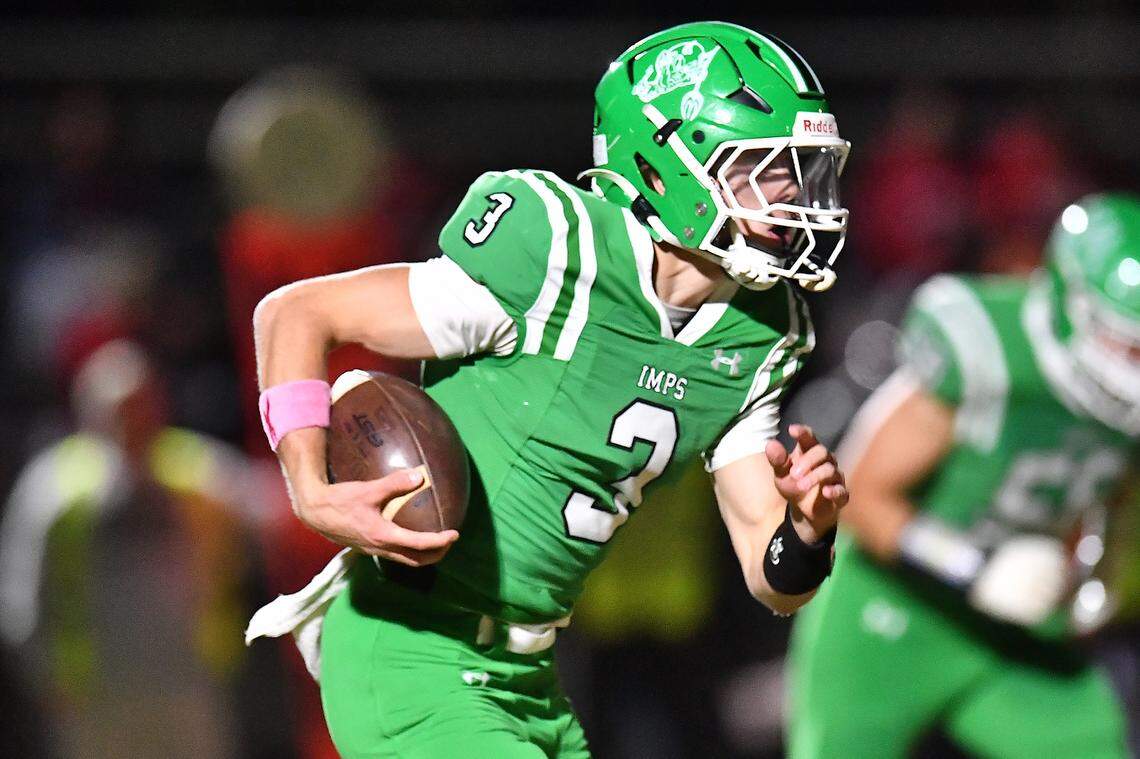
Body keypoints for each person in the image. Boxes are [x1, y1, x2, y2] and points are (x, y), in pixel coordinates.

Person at [247, 22, 851, 758]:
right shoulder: (557, 250)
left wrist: (810, 531)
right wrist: (309, 487)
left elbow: (774, 576)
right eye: (764, 167)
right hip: (413, 651)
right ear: (665, 170)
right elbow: (296, 312)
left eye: (801, 169)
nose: (794, 196)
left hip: (527, 678)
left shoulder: (759, 331)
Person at [787, 194, 1140, 759]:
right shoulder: (992, 350)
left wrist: (1093, 570)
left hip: (1009, 631)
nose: (1134, 368)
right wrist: (973, 569)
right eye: (1127, 344)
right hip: (893, 608)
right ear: (1071, 308)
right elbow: (855, 495)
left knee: (1095, 742)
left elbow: (1108, 491)